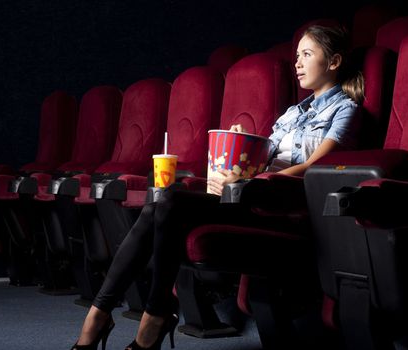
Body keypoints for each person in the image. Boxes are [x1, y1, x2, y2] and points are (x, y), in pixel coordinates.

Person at [70, 25, 364, 350]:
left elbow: (312, 169)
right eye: (296, 56)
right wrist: (239, 146)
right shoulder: (292, 113)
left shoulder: (346, 109)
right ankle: (126, 314)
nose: (297, 63)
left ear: (334, 61)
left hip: (283, 206)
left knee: (165, 205)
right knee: (162, 203)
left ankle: (119, 319)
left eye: (306, 55)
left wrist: (250, 181)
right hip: (250, 197)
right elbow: (262, 160)